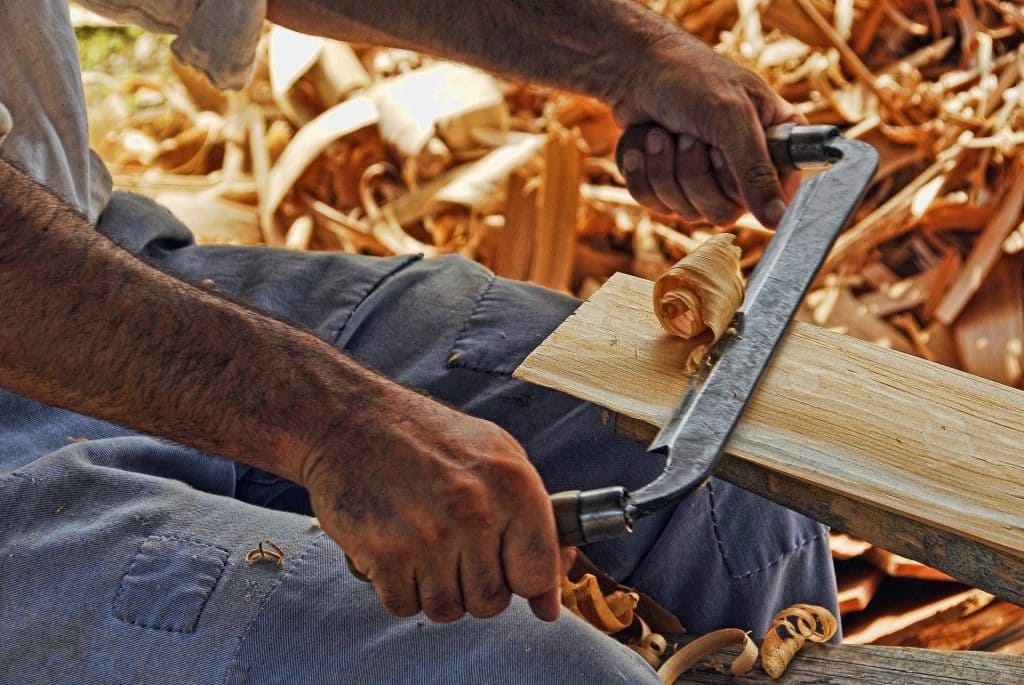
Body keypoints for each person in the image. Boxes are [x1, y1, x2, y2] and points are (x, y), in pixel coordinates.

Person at [0, 1, 837, 682]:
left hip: (90, 253)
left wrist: (625, 54)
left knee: (729, 492)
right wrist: (335, 423)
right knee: (529, 672)